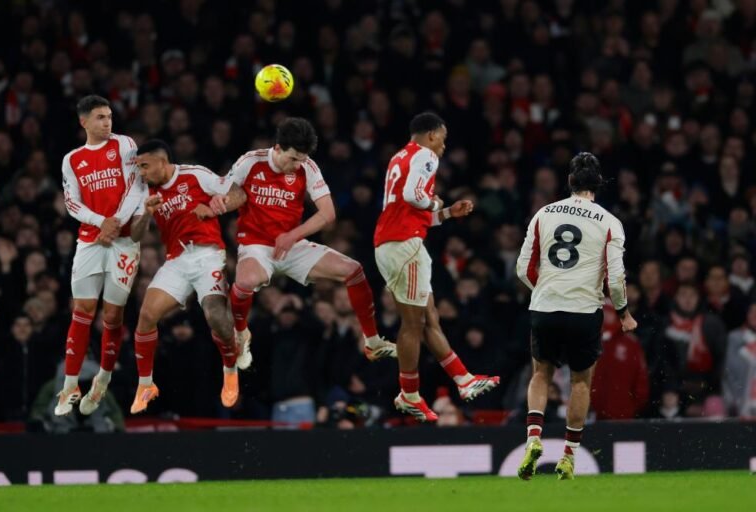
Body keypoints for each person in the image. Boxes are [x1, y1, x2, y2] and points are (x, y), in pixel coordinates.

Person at [203, 117, 396, 373]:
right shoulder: (251, 160)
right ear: (278, 148)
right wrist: (220, 201)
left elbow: (328, 214)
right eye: (293, 159)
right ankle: (241, 334)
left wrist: (293, 235)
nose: (297, 165)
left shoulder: (308, 167)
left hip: (292, 244)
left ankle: (372, 341)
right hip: (256, 245)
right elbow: (228, 192)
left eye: (302, 160)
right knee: (246, 282)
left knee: (354, 270)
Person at [515, 152, 638, 480]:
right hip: (584, 311)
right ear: (598, 184)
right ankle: (569, 456)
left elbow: (523, 268)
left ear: (569, 181)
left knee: (540, 374)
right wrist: (624, 313)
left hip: (544, 307)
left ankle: (533, 439)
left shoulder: (544, 214)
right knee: (580, 381)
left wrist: (546, 290)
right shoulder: (610, 222)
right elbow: (615, 278)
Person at [372, 112, 499, 423]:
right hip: (405, 246)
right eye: (442, 138)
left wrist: (447, 214)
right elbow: (412, 196)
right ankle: (409, 393)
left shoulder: (399, 157)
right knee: (413, 324)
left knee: (429, 318)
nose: (443, 145)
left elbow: (407, 209)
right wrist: (433, 202)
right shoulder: (426, 156)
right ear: (431, 135)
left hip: (393, 243)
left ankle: (463, 379)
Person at [127, 140, 240, 414]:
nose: (141, 173)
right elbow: (135, 235)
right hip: (176, 261)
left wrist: (217, 208)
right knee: (145, 317)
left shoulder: (195, 174)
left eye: (144, 166)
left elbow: (238, 193)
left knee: (214, 315)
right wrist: (147, 214)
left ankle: (230, 370)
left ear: (162, 162)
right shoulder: (145, 191)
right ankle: (146, 385)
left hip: (208, 255)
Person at [56, 95, 145, 416]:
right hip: (90, 240)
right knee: (82, 308)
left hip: (123, 243)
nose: (107, 122)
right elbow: (72, 203)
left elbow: (136, 187)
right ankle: (69, 387)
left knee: (112, 316)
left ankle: (103, 379)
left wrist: (116, 222)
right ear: (84, 122)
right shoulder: (72, 159)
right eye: (99, 118)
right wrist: (100, 222)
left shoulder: (124, 145)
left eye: (109, 116)